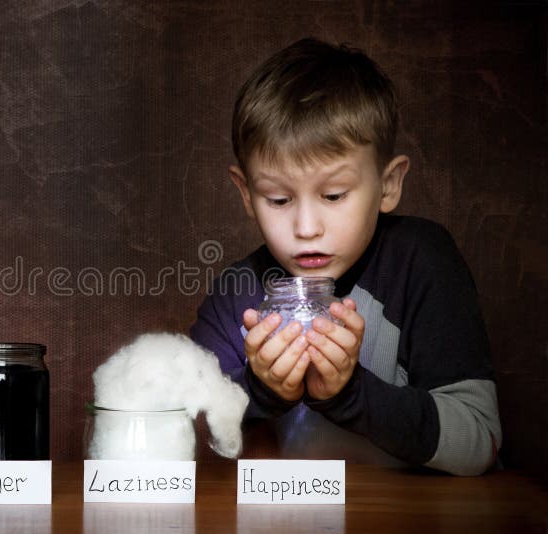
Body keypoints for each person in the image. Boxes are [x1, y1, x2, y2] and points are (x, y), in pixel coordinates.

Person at [190, 38, 502, 476]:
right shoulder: (234, 294)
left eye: (334, 195)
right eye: (278, 199)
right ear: (246, 193)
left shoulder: (421, 261)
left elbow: (478, 442)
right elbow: (185, 440)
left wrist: (348, 393)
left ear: (388, 184)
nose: (306, 228)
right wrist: (261, 393)